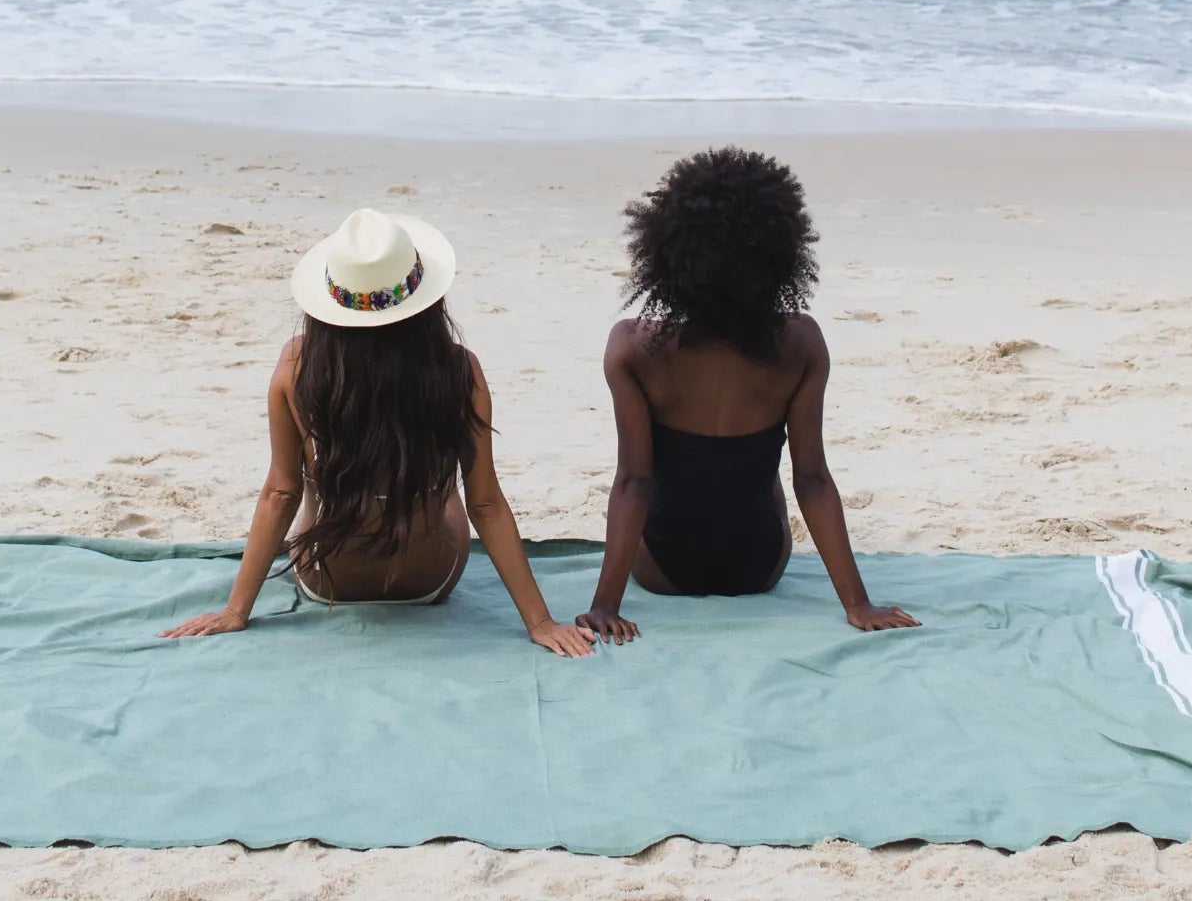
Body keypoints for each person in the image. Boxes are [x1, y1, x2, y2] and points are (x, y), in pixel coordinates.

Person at [162, 206, 597, 656]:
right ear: (426, 300)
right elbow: (484, 503)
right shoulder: (457, 371)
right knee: (437, 483)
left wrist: (236, 611)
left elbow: (280, 494)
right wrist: (540, 622)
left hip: (326, 579)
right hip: (430, 578)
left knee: (325, 478)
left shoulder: (296, 366)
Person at [576, 148, 918, 642]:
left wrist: (604, 606)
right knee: (765, 475)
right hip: (758, 569)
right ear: (780, 256)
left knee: (655, 476)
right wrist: (858, 604)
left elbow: (634, 482)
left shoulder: (632, 348)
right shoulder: (801, 344)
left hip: (661, 572)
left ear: (667, 255)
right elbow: (814, 480)